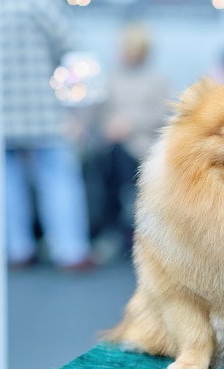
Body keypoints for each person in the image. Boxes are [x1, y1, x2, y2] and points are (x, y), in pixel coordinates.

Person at [0, 0, 93, 271]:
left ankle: (15, 250)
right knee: (58, 177)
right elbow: (72, 51)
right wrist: (77, 109)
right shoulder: (41, 5)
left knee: (0, 180)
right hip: (42, 108)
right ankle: (71, 251)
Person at [86, 22, 171, 257]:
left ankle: (127, 230)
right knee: (104, 163)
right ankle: (111, 229)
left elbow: (165, 114)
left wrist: (130, 122)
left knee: (122, 162)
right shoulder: (109, 78)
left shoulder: (157, 80)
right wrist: (108, 125)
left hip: (143, 147)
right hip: (111, 147)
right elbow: (98, 113)